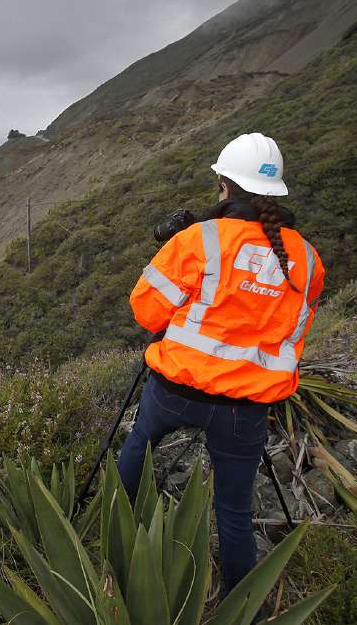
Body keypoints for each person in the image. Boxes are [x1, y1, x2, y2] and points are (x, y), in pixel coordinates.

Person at [117, 132, 325, 597]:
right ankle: (239, 600)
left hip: (178, 389)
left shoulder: (199, 239)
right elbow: (291, 334)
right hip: (244, 407)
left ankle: (112, 524)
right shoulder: (308, 261)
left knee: (139, 443)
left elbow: (147, 312)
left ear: (224, 186)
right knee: (233, 512)